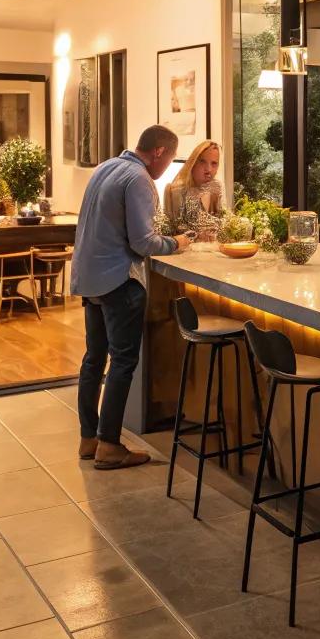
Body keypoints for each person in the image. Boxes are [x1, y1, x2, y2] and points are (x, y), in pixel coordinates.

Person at [70, 125, 191, 470]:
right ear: (159, 152)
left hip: (89, 277)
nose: (167, 167)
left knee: (94, 359)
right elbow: (143, 242)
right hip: (118, 280)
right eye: (169, 159)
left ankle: (88, 438)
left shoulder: (106, 167)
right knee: (123, 362)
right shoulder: (139, 179)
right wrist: (177, 243)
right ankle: (109, 445)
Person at [163, 139, 225, 232]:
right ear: (193, 163)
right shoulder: (177, 191)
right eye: (202, 161)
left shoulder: (217, 188)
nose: (208, 169)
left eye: (214, 163)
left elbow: (222, 223)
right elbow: (174, 230)